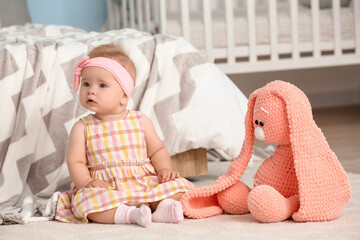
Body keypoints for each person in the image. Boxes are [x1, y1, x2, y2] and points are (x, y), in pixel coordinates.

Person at [55, 44, 195, 227]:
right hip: (107, 187)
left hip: (144, 182)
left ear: (124, 95)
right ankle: (129, 215)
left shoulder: (140, 120)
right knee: (85, 202)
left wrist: (164, 170)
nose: (91, 90)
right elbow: (76, 162)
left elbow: (157, 150)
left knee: (180, 187)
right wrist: (87, 181)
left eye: (102, 85)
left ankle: (164, 207)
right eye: (86, 83)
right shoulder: (82, 127)